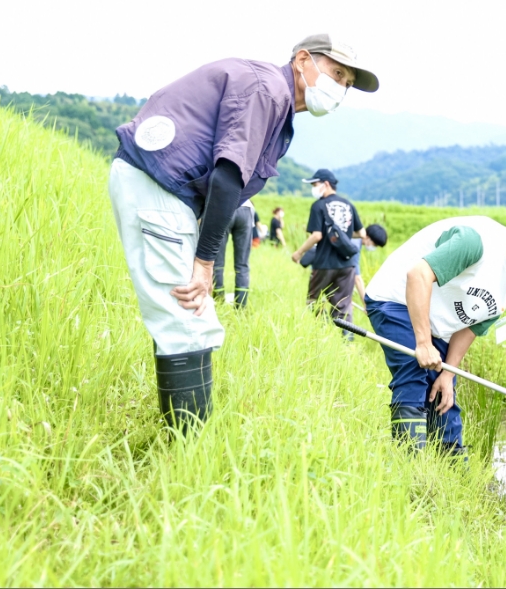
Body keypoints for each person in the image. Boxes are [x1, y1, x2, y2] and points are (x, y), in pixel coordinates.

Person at [108, 34, 379, 430]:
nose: (340, 88)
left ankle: (186, 440)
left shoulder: (274, 99)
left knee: (190, 316)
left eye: (348, 84)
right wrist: (204, 262)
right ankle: (187, 448)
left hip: (165, 188)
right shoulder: (267, 91)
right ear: (303, 59)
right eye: (336, 73)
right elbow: (229, 175)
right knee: (187, 318)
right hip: (157, 185)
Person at [362, 216, 506, 456]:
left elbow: (470, 326)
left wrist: (448, 373)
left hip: (435, 319)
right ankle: (410, 467)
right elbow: (418, 275)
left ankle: (452, 470)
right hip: (396, 300)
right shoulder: (476, 241)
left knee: (443, 398)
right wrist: (424, 343)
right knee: (413, 376)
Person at [291, 169, 368, 338]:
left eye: (315, 184)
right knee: (343, 306)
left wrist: (298, 252)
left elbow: (317, 235)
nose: (313, 188)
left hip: (324, 265)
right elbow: (361, 233)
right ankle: (346, 343)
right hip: (347, 266)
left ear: (326, 184)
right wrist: (344, 233)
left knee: (314, 301)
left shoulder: (319, 205)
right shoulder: (348, 205)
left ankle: (322, 334)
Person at [212, 199, 255, 308]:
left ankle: (219, 301)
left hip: (224, 205)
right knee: (242, 264)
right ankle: (241, 306)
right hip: (246, 207)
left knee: (217, 263)